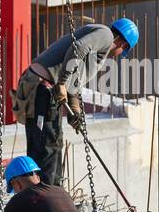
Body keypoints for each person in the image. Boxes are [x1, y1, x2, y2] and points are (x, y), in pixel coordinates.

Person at [10, 18, 139, 187]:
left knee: (54, 142)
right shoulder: (106, 35)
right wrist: (62, 82)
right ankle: (44, 196)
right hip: (42, 88)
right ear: (122, 43)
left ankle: (52, 192)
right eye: (123, 50)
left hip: (46, 90)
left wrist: (75, 112)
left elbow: (75, 79)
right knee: (45, 145)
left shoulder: (99, 46)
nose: (118, 55)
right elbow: (77, 48)